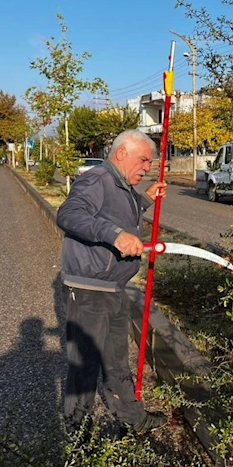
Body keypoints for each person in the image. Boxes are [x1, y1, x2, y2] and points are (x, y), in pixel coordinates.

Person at [56, 129, 168, 434]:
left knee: (117, 361)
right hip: (91, 289)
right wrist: (114, 235)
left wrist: (145, 200)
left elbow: (117, 212)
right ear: (121, 153)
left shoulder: (120, 183)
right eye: (144, 160)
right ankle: (78, 434)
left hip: (113, 288)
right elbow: (69, 214)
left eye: (150, 162)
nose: (147, 167)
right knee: (85, 366)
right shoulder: (98, 179)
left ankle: (131, 418)